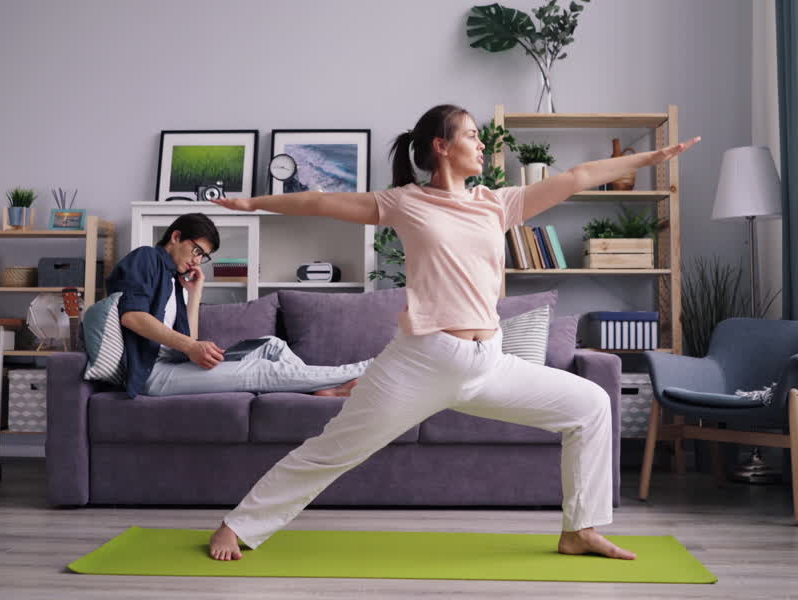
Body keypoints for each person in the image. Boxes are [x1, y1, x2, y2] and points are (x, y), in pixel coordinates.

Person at [207, 105, 701, 561]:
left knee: (591, 404)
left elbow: (577, 177)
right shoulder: (405, 202)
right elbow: (319, 201)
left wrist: (653, 156)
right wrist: (253, 202)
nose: (481, 144)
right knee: (333, 449)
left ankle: (580, 530)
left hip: (489, 361)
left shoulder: (497, 204)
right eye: (470, 134)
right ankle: (239, 525)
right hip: (421, 361)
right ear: (441, 146)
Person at [106, 213, 368, 399]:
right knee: (260, 369)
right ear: (176, 237)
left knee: (271, 344)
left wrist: (195, 294)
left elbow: (188, 340)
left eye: (203, 256)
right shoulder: (147, 258)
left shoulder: (175, 280)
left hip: (173, 362)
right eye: (197, 250)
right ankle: (363, 370)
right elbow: (132, 317)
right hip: (152, 373)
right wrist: (190, 346)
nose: (198, 261)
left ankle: (321, 391)